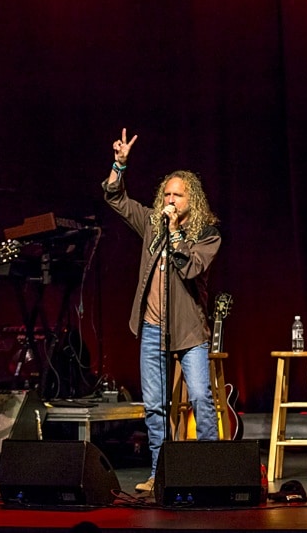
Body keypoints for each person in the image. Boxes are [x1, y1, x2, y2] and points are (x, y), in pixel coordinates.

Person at [102, 128, 220, 493]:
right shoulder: (152, 223)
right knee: (154, 405)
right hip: (153, 326)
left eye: (177, 195)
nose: (169, 200)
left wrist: (175, 234)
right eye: (166, 194)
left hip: (189, 330)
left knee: (200, 397)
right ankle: (159, 473)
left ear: (190, 200)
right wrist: (119, 165)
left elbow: (192, 267)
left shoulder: (207, 233)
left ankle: (212, 470)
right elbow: (117, 199)